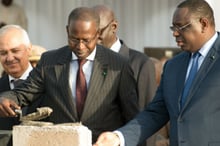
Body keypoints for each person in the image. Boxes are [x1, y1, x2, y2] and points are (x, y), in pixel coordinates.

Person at [0, 7, 139, 144]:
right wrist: (6, 98)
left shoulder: (118, 65)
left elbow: (132, 117)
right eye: (74, 39)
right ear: (67, 31)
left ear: (97, 34)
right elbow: (24, 92)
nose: (80, 46)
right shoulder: (50, 61)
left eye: (86, 40)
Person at [93, 0, 220, 146]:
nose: (175, 33)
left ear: (204, 24)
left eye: (181, 27)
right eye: (173, 27)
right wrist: (119, 137)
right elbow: (156, 113)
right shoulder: (173, 66)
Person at [93, 5, 157, 111]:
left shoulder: (140, 63)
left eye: (98, 33)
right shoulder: (85, 62)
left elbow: (149, 111)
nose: (94, 39)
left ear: (113, 27)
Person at [0, 25, 33, 146]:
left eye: (15, 51)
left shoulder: (49, 84)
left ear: (29, 49)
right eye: (3, 53)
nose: (9, 58)